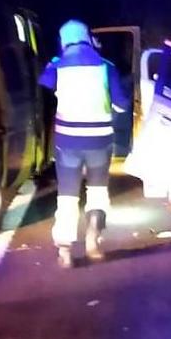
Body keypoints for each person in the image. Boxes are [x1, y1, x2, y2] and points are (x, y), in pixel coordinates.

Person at [38, 20, 129, 267]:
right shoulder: (105, 66)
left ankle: (65, 249)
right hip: (99, 142)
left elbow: (43, 84)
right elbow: (121, 105)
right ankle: (93, 240)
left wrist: (55, 61)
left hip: (67, 142)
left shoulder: (57, 66)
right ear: (88, 38)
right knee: (97, 191)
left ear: (64, 41)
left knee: (67, 195)